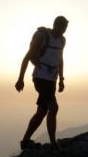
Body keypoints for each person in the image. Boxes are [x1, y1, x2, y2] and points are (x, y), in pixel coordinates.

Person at [15, 15, 68, 150]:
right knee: (54, 107)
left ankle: (25, 141)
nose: (64, 30)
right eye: (62, 26)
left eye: (65, 27)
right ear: (56, 24)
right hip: (40, 77)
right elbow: (27, 57)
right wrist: (20, 79)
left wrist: (61, 79)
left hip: (52, 80)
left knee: (42, 111)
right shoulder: (42, 36)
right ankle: (53, 144)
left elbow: (60, 59)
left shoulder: (62, 40)